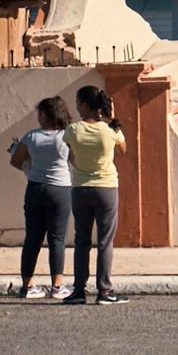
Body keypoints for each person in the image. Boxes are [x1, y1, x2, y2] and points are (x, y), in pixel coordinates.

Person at [64, 85, 127, 305]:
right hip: (106, 187)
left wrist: (80, 164)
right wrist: (111, 118)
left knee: (81, 240)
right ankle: (105, 291)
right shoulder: (110, 130)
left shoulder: (73, 130)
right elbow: (123, 149)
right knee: (105, 242)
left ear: (85, 105)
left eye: (78, 102)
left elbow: (69, 153)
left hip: (80, 188)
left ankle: (79, 291)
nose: (76, 106)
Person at [7, 95, 74, 300]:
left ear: (45, 114)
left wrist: (32, 168)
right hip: (60, 189)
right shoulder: (66, 137)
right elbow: (75, 160)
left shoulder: (31, 137)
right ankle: (57, 286)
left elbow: (16, 161)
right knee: (57, 239)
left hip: (35, 188)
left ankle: (27, 286)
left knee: (33, 238)